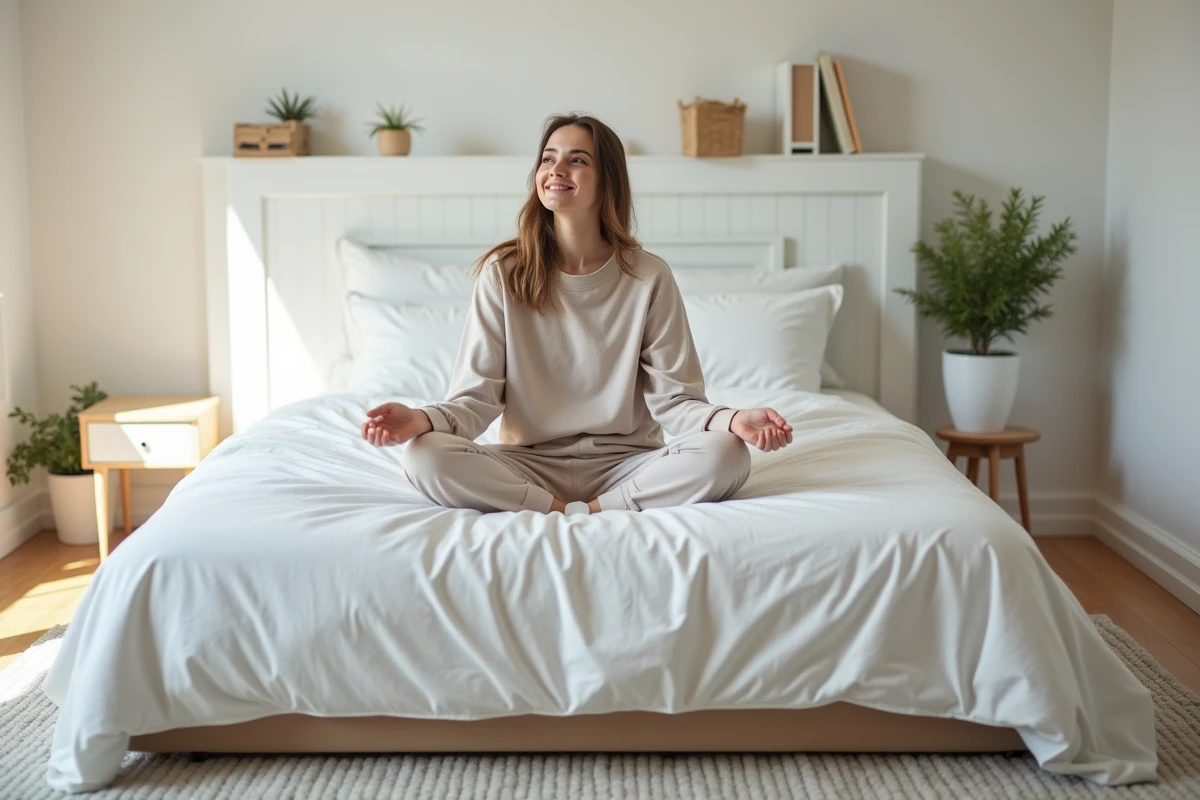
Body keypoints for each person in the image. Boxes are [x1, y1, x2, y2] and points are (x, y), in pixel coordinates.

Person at [361, 113, 793, 515]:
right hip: (526, 465)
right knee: (424, 455)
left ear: (607, 184)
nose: (556, 169)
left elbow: (677, 400)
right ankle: (549, 507)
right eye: (548, 158)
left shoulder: (648, 276)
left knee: (727, 454)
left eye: (577, 159)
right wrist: (420, 421)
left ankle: (606, 509)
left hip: (627, 464)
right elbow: (476, 397)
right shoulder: (503, 274)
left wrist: (734, 420)